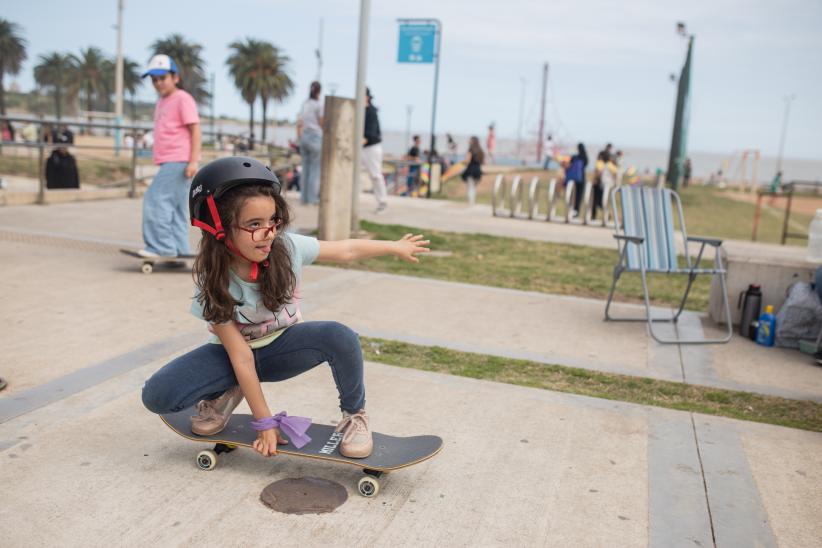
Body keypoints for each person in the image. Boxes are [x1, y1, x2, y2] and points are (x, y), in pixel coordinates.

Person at [140, 156, 431, 459]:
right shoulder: (215, 280)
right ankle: (227, 391)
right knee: (156, 395)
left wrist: (393, 246)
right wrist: (264, 422)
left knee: (339, 336)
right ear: (220, 228)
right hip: (231, 357)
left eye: (273, 221)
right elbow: (240, 357)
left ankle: (355, 415)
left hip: (282, 350)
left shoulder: (287, 247)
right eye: (254, 224)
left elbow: (345, 249)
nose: (268, 232)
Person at [138, 54, 201, 259]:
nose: (158, 83)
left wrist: (193, 160)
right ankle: (179, 249)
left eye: (162, 78)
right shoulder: (162, 102)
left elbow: (195, 130)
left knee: (155, 200)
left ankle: (160, 247)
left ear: (175, 77)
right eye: (154, 80)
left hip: (179, 160)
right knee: (175, 207)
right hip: (171, 160)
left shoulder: (182, 98)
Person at [296, 81, 323, 205]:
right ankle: (312, 199)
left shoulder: (304, 104)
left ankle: (304, 198)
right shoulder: (318, 105)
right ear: (319, 91)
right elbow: (321, 122)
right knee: (315, 170)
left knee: (305, 169)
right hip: (315, 137)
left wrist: (299, 137)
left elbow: (299, 122)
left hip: (304, 136)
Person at [362, 87, 388, 212]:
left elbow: (370, 134)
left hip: (372, 147)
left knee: (375, 175)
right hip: (362, 148)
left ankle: (383, 202)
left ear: (367, 97)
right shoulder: (360, 111)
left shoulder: (371, 111)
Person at [565, 143, 588, 217]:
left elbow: (569, 165)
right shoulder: (585, 157)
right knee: (579, 196)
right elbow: (585, 165)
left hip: (572, 178)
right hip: (581, 178)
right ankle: (576, 211)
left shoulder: (575, 157)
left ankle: (570, 210)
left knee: (571, 195)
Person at [461, 136, 484, 205]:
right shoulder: (480, 151)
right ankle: (472, 201)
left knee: (470, 187)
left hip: (470, 170)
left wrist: (463, 163)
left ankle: (471, 202)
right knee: (473, 187)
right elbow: (482, 161)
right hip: (478, 170)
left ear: (472, 141)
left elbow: (467, 161)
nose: (468, 141)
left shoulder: (470, 150)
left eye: (470, 140)